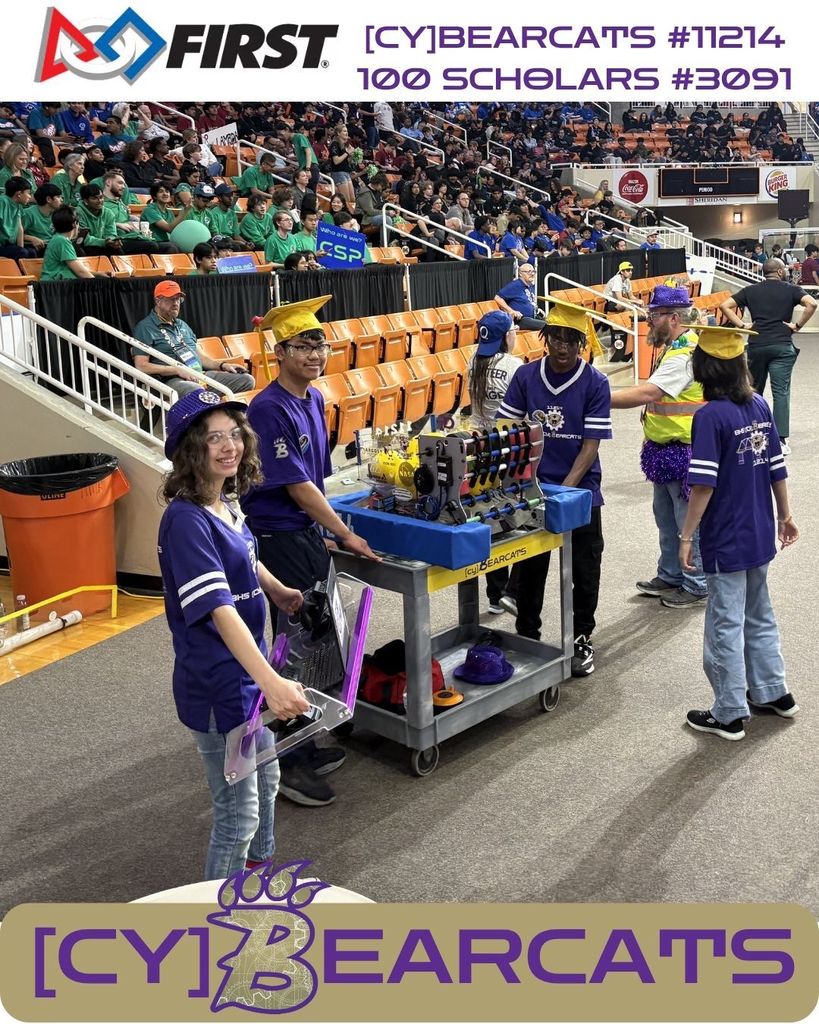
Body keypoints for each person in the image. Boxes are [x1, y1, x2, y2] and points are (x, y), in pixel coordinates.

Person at [158, 388, 309, 879]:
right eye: (213, 439)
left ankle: (257, 881)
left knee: (267, 782)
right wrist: (271, 681)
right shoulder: (185, 521)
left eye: (234, 435)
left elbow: (245, 558)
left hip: (246, 679)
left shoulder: (224, 502)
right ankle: (215, 920)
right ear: (190, 451)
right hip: (220, 685)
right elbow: (219, 610)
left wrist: (278, 589)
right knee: (236, 814)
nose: (229, 447)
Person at [240, 297, 380, 806]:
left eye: (320, 344)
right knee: (297, 644)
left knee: (321, 637)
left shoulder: (314, 399)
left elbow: (314, 478)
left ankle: (304, 735)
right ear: (280, 352)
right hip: (279, 537)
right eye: (302, 345)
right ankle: (286, 761)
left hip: (303, 535)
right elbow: (297, 486)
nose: (314, 354)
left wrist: (323, 532)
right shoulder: (268, 407)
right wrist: (345, 534)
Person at [678, 327, 799, 741]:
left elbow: (704, 485)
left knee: (724, 622)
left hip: (725, 536)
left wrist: (686, 536)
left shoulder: (709, 416)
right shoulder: (760, 405)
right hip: (760, 528)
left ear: (703, 368)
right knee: (760, 612)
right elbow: (776, 468)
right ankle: (772, 691)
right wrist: (785, 516)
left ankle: (729, 711)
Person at [497, 298, 612, 676]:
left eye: (571, 339)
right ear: (545, 338)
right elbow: (507, 432)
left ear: (582, 343)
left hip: (579, 490)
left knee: (584, 566)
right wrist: (519, 484)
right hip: (532, 487)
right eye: (556, 338)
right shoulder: (526, 376)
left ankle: (581, 637)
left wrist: (561, 493)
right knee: (530, 566)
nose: (563, 347)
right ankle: (527, 634)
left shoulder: (596, 382)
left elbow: (590, 445)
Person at [609, 285, 708, 607]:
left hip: (683, 449)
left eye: (654, 316)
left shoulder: (684, 354)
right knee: (666, 519)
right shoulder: (673, 347)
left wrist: (591, 397)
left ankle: (696, 583)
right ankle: (670, 574)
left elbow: (647, 393)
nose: (649, 321)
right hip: (664, 448)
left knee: (686, 523)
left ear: (674, 317)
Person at [719, 258, 817, 455]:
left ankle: (751, 431)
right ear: (780, 272)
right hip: (782, 346)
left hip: (757, 346)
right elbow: (812, 304)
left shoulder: (750, 290)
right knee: (781, 392)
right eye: (785, 269)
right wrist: (797, 326)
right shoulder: (791, 289)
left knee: (754, 391)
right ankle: (780, 441)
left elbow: (724, 305)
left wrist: (742, 325)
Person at [467, 310, 523, 616]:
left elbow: (475, 411)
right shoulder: (515, 366)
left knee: (489, 520)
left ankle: (494, 593)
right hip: (511, 448)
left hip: (481, 446)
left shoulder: (473, 362)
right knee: (517, 517)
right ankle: (512, 592)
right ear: (508, 336)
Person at [132, 280, 255, 395]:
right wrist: (177, 369)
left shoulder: (182, 324)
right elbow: (141, 366)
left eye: (178, 299)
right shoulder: (145, 327)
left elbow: (200, 356)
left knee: (246, 380)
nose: (175, 303)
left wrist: (223, 365)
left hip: (199, 374)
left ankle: (222, 414)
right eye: (171, 299)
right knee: (196, 390)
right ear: (158, 301)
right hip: (172, 380)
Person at [493, 263, 544, 331]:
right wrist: (511, 311)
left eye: (533, 271)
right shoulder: (515, 285)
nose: (532, 274)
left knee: (553, 324)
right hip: (521, 320)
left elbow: (529, 302)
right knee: (546, 326)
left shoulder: (530, 285)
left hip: (533, 317)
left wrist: (537, 309)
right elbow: (497, 298)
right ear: (520, 274)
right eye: (529, 272)